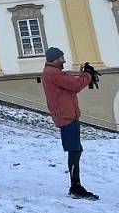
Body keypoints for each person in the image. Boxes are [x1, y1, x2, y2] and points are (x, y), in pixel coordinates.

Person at [41, 47, 98, 200]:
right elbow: (75, 86)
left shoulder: (52, 73)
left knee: (75, 150)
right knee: (75, 150)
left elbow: (69, 83)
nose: (64, 60)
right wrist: (87, 76)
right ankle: (75, 186)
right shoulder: (53, 73)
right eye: (61, 58)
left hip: (67, 115)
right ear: (54, 59)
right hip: (66, 116)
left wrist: (82, 75)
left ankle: (75, 185)